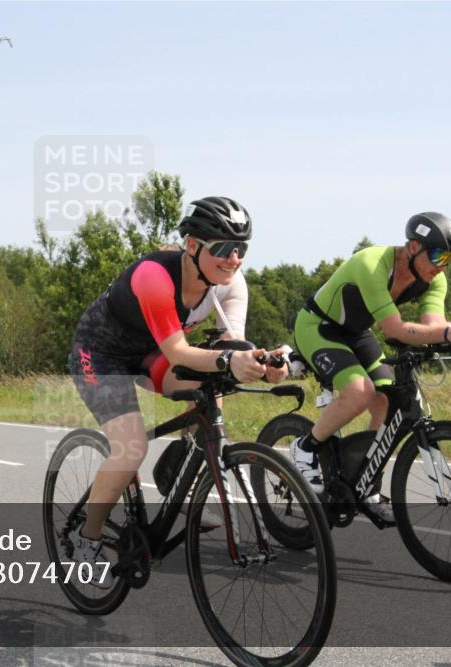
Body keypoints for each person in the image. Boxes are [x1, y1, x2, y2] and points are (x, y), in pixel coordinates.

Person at [69, 196, 289, 587]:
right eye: (223, 248)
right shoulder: (155, 275)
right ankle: (86, 536)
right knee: (131, 447)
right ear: (192, 246)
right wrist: (228, 362)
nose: (234, 258)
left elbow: (230, 346)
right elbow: (179, 351)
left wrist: (260, 362)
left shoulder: (231, 284)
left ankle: (185, 470)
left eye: (241, 249)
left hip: (152, 351)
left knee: (212, 385)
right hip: (102, 354)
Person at [289, 212, 451, 522]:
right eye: (438, 255)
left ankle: (365, 481)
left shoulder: (434, 279)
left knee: (388, 400)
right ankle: (304, 447)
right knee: (360, 392)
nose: (443, 265)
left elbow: (435, 326)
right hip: (318, 326)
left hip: (357, 332)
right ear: (413, 246)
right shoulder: (372, 263)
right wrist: (447, 333)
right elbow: (395, 329)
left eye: (450, 259)